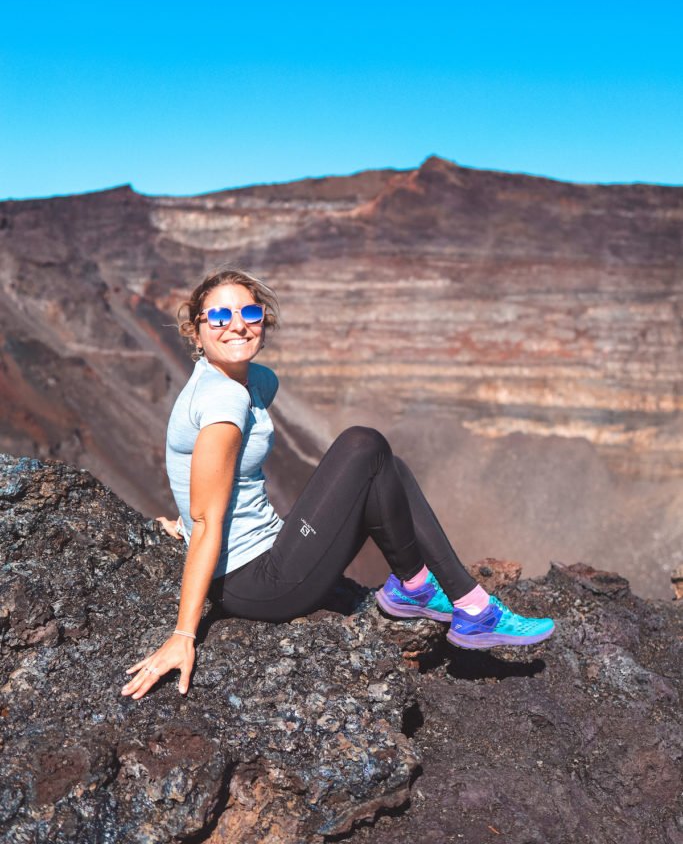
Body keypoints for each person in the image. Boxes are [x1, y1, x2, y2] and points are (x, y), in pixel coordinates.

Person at [122, 266, 554, 701]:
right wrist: (183, 634)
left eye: (249, 313)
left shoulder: (244, 382)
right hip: (261, 584)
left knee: (389, 468)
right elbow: (208, 517)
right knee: (363, 444)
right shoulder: (225, 400)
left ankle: (416, 587)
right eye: (218, 317)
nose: (236, 325)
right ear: (196, 331)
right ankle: (473, 608)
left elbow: (200, 471)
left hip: (262, 557)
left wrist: (181, 518)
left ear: (263, 324)